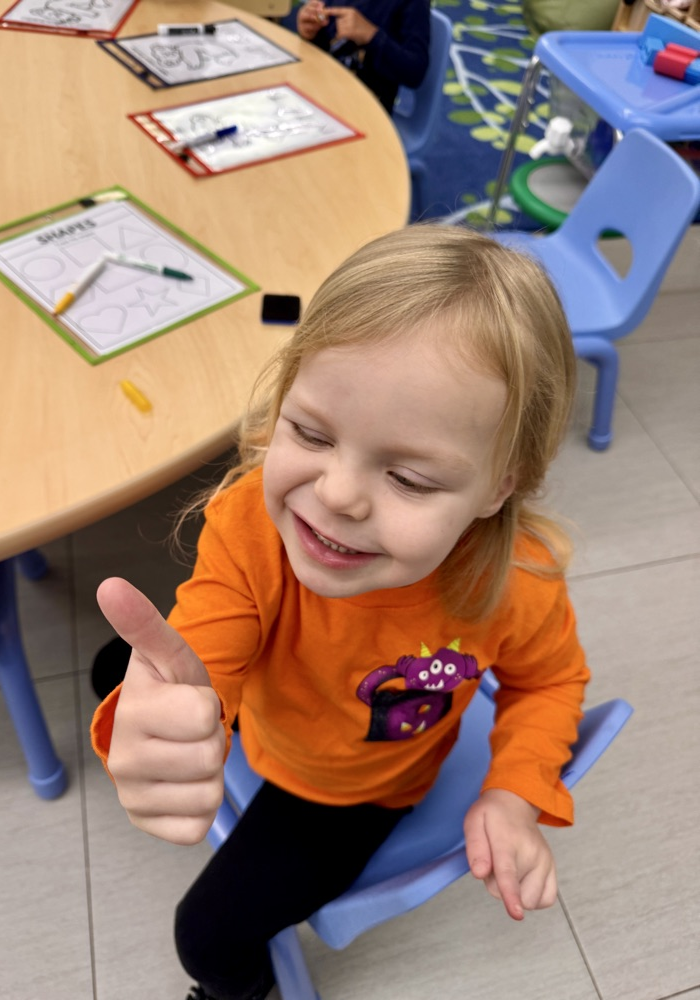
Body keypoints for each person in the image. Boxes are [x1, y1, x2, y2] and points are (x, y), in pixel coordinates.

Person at [91, 224, 590, 1000]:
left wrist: (513, 793)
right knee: (113, 669)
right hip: (272, 723)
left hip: (357, 791)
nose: (336, 495)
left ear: (501, 486)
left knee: (205, 939)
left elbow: (550, 683)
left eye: (411, 480)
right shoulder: (249, 526)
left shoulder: (518, 581)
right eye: (310, 432)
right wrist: (166, 707)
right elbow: (207, 639)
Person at [289, 0, 431, 112]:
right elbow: (326, 42)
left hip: (366, 109)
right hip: (320, 90)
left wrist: (371, 36)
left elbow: (415, 71)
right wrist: (311, 31)